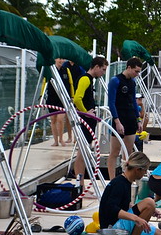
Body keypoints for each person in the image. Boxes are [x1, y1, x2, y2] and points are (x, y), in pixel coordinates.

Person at [99, 152, 161, 235]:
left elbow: (123, 205)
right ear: (137, 169)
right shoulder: (118, 183)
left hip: (121, 225)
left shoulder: (126, 182)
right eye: (145, 170)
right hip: (111, 229)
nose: (145, 173)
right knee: (149, 202)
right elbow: (111, 209)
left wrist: (149, 211)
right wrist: (136, 218)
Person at [73, 56, 108, 186]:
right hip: (85, 121)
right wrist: (85, 112)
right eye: (103, 70)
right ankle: (80, 185)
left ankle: (80, 184)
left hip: (87, 121)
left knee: (84, 153)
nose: (103, 73)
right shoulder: (85, 79)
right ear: (96, 66)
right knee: (82, 154)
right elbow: (77, 99)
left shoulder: (89, 79)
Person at [107, 57, 142, 180]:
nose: (137, 74)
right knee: (114, 153)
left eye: (138, 72)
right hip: (119, 118)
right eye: (136, 71)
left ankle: (125, 179)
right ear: (128, 68)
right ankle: (112, 180)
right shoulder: (115, 80)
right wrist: (117, 121)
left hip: (130, 119)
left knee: (127, 154)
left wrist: (138, 119)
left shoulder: (132, 82)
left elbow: (133, 101)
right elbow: (111, 102)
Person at [45, 58, 74, 147]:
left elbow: (71, 84)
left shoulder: (66, 70)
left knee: (60, 119)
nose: (61, 61)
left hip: (62, 98)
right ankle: (56, 141)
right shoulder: (50, 70)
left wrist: (72, 96)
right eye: (59, 59)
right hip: (52, 98)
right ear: (55, 60)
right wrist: (42, 96)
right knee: (53, 119)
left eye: (62, 59)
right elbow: (44, 83)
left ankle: (61, 139)